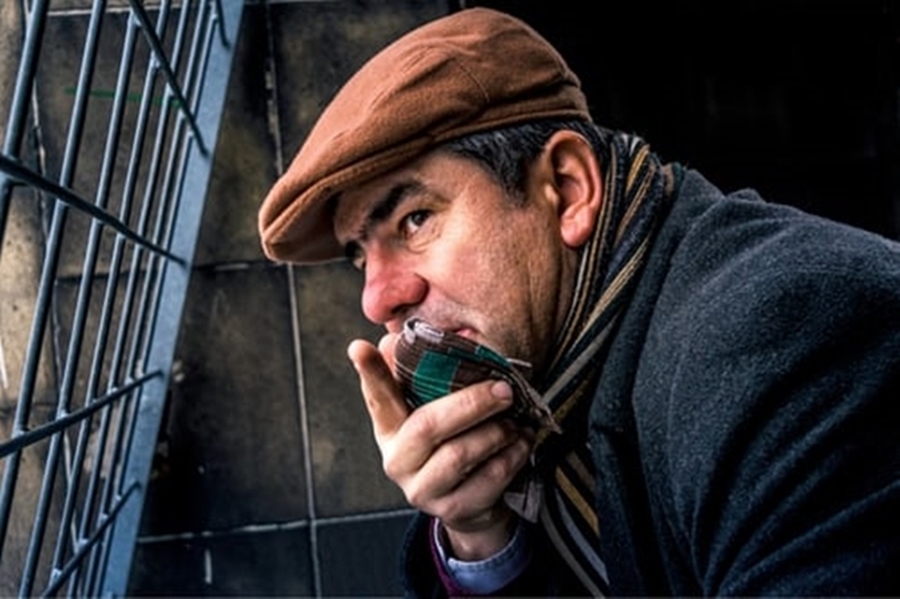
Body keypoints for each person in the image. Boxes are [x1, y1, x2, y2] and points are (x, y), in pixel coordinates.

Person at [258, 7, 900, 597]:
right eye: (361, 257)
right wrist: (482, 535)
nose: (378, 299)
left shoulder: (785, 329)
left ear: (567, 189)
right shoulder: (549, 374)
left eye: (416, 220)